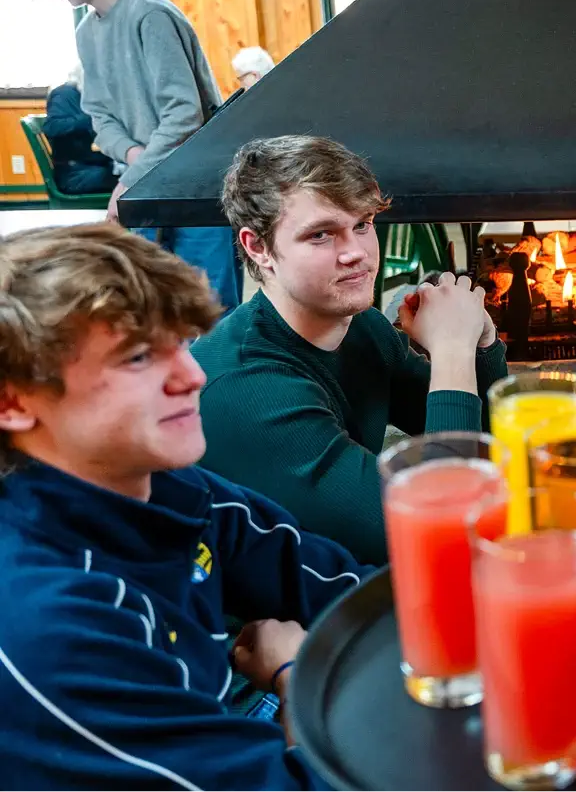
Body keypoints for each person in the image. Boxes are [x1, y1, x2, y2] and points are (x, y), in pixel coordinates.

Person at [0, 223, 372, 791]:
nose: (194, 376)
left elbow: (342, 585)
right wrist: (296, 676)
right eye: (138, 357)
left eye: (181, 343)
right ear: (13, 401)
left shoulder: (164, 483)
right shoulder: (47, 626)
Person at [192, 136, 507, 565]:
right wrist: (452, 348)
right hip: (252, 601)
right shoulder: (248, 387)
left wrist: (480, 341)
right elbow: (438, 534)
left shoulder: (361, 326)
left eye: (362, 224)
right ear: (258, 247)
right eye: (321, 235)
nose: (356, 253)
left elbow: (484, 442)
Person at [14, 0, 242, 312]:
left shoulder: (150, 14)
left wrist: (131, 177)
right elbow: (99, 116)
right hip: (146, 185)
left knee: (211, 308)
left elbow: (183, 114)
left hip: (196, 186)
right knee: (158, 307)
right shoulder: (86, 33)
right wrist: (134, 157)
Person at [41, 64, 115, 196]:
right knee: (131, 176)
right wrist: (93, 118)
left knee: (132, 170)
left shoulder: (85, 96)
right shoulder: (64, 94)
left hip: (86, 164)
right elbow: (52, 127)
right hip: (73, 174)